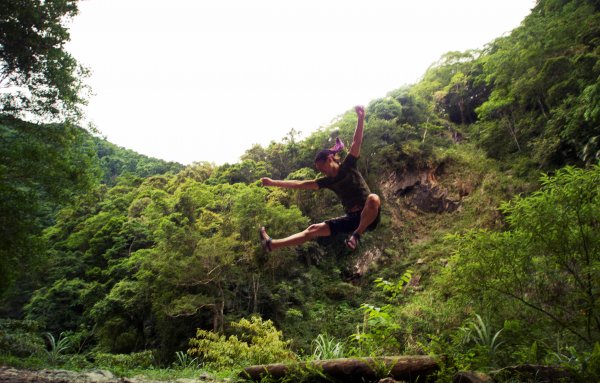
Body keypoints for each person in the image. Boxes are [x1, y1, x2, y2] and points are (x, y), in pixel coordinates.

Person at [259, 105, 381, 252]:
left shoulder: (348, 165)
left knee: (373, 198)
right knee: (313, 229)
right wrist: (273, 183)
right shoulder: (327, 181)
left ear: (330, 159)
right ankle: (271, 244)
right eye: (319, 170)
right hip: (352, 218)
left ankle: (356, 236)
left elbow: (356, 142)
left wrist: (361, 118)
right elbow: (300, 184)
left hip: (369, 216)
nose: (322, 171)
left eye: (322, 167)